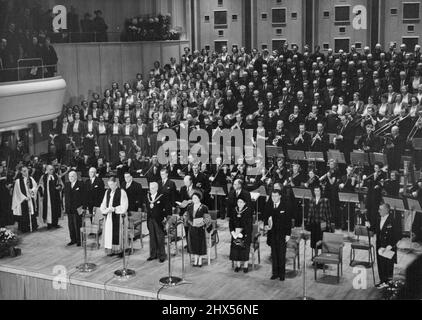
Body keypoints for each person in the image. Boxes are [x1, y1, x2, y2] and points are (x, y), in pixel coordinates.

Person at [366, 203, 401, 289]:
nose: (378, 211)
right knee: (381, 264)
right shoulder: (379, 219)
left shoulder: (393, 220)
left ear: (386, 210)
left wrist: (392, 245)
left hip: (389, 247)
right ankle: (382, 281)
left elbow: (398, 235)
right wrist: (369, 226)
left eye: (380, 209)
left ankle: (388, 283)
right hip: (380, 246)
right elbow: (374, 229)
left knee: (388, 265)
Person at [264, 189, 292, 281]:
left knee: (281, 254)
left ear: (280, 196)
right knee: (274, 254)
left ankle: (282, 274)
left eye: (276, 196)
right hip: (272, 234)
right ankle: (275, 273)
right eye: (272, 196)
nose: (274, 198)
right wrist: (266, 226)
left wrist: (288, 234)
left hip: (282, 234)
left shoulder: (286, 206)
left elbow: (288, 221)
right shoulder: (269, 205)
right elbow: (265, 217)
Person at [99, 176, 129, 257]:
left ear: (116, 183)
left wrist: (114, 209)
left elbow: (124, 206)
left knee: (118, 233)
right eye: (109, 185)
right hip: (109, 216)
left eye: (112, 184)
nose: (110, 187)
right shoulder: (107, 192)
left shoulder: (122, 192)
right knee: (109, 233)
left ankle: (120, 250)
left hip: (118, 216)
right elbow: (103, 203)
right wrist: (104, 209)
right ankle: (111, 249)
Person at [184, 191, 210, 267]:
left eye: (195, 198)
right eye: (193, 198)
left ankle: (200, 260)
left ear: (199, 198)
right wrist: (191, 223)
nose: (194, 199)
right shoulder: (189, 207)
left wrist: (201, 223)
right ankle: (195, 260)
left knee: (200, 244)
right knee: (193, 244)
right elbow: (188, 217)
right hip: (192, 228)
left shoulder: (204, 207)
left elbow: (207, 218)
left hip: (200, 228)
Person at [229, 195, 253, 273]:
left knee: (244, 249)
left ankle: (245, 266)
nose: (239, 203)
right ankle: (238, 265)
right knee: (236, 249)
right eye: (238, 202)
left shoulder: (248, 210)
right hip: (235, 234)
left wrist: (243, 233)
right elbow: (231, 222)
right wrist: (232, 231)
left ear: (245, 203)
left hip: (245, 234)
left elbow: (249, 224)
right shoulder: (234, 210)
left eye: (241, 202)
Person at [145, 182, 168, 262]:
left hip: (158, 220)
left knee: (160, 238)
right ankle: (153, 254)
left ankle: (162, 255)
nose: (151, 190)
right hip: (150, 219)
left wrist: (164, 217)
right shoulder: (148, 196)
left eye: (152, 188)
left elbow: (166, 207)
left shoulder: (162, 196)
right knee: (152, 238)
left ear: (156, 188)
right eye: (150, 188)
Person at [307, 186, 332, 256]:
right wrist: (308, 223)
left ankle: (322, 258)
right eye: (315, 191)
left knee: (322, 239)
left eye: (318, 191)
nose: (316, 192)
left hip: (323, 223)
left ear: (321, 191)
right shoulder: (311, 200)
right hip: (314, 223)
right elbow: (309, 212)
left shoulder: (325, 200)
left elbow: (328, 213)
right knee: (314, 240)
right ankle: (315, 256)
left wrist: (329, 225)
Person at [11, 166, 38, 233]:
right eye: (24, 171)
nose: (25, 172)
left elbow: (35, 187)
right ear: (21, 172)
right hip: (23, 200)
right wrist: (25, 198)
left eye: (26, 170)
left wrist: (31, 191)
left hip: (30, 199)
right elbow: (17, 192)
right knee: (24, 213)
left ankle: (33, 226)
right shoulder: (18, 181)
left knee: (31, 212)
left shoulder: (31, 179)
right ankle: (24, 228)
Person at [39, 165, 63, 229]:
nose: (52, 171)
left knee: (56, 208)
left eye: (52, 169)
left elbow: (61, 183)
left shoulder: (56, 176)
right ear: (47, 170)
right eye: (50, 169)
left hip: (55, 196)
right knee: (48, 209)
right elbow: (40, 185)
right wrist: (42, 192)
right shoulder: (43, 177)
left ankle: (55, 223)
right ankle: (49, 224)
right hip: (48, 196)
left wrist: (59, 187)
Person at [64, 171, 84, 246]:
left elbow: (83, 197)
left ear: (76, 176)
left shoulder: (81, 184)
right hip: (69, 208)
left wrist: (83, 207)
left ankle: (79, 240)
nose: (70, 178)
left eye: (72, 176)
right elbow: (66, 198)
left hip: (78, 208)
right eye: (69, 176)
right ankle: (73, 239)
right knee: (71, 225)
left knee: (78, 224)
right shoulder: (67, 185)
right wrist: (66, 207)